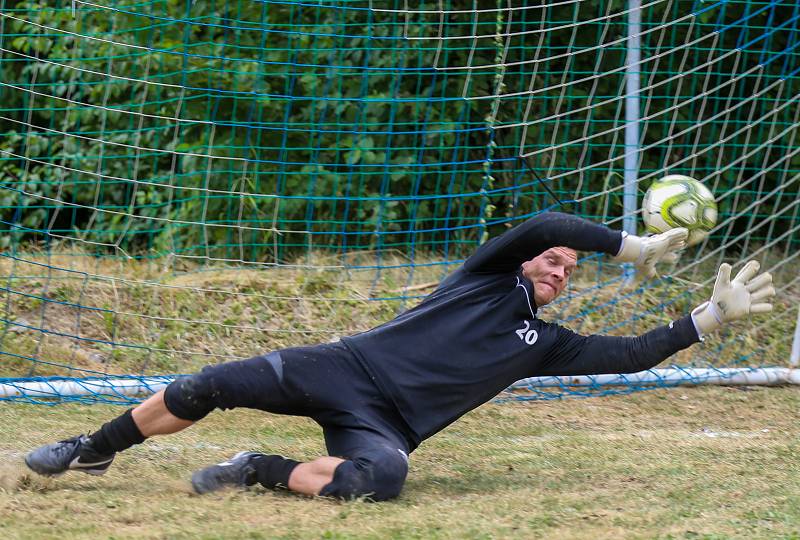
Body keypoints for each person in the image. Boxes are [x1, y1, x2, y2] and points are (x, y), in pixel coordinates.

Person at [24, 212, 775, 501]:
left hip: (384, 422)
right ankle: (93, 449)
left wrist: (708, 317)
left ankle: (255, 469)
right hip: (341, 368)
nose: (558, 269)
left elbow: (638, 353)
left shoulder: (545, 343)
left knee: (383, 479)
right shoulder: (484, 278)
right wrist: (630, 246)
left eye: (569, 270)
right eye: (552, 260)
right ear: (523, 263)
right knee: (205, 383)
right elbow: (545, 221)